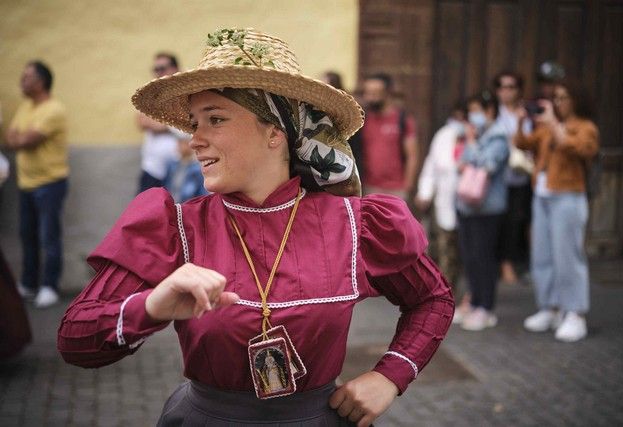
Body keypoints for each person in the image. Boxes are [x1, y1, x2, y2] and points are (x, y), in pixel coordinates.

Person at [58, 28, 454, 426]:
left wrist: (390, 375)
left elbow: (433, 298)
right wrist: (151, 306)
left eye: (215, 119)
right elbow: (75, 339)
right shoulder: (176, 225)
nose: (194, 139)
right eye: (194, 123)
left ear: (274, 134)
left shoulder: (355, 224)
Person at [516, 80, 599, 342]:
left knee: (568, 256)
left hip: (568, 196)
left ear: (576, 100)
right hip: (542, 195)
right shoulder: (546, 126)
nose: (559, 103)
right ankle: (550, 307)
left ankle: (575, 313)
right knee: (542, 254)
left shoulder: (584, 127)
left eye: (564, 97)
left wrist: (554, 125)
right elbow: (523, 143)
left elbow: (583, 149)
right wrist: (522, 120)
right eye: (557, 98)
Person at [5, 61, 68, 308]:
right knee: (27, 235)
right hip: (26, 183)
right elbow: (11, 138)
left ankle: (50, 285)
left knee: (48, 236)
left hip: (50, 184)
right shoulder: (26, 106)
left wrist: (19, 138)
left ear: (41, 81)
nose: (22, 80)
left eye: (27, 76)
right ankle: (29, 283)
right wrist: (19, 138)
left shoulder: (54, 109)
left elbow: (26, 141)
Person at [455, 91, 510, 331]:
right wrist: (472, 147)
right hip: (466, 206)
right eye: (470, 112)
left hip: (488, 209)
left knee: (484, 258)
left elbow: (487, 164)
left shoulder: (498, 137)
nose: (472, 117)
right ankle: (473, 301)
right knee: (470, 258)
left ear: (490, 111)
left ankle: (486, 308)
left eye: (477, 111)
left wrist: (473, 144)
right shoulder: (475, 136)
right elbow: (462, 164)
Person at [415, 100, 466, 289]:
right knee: (444, 248)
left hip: (470, 203)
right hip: (445, 201)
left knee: (464, 251)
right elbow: (432, 166)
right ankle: (445, 290)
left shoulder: (475, 138)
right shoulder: (444, 136)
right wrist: (424, 192)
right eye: (457, 117)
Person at [493, 71, 533, 285]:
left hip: (521, 176)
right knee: (499, 222)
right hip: (499, 177)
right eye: (502, 86)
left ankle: (514, 262)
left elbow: (528, 141)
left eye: (511, 86)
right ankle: (501, 264)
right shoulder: (495, 113)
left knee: (517, 221)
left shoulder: (526, 112)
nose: (506, 91)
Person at [136, 52, 190, 193]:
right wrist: (174, 123)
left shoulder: (188, 93)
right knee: (145, 211)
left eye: (162, 68)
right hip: (152, 168)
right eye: (156, 70)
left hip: (179, 167)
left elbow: (190, 125)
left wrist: (160, 123)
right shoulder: (150, 94)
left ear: (175, 68)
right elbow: (142, 121)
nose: (158, 73)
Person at [360, 73, 418, 199]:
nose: (370, 98)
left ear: (387, 93)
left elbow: (412, 156)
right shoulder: (362, 120)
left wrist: (408, 185)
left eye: (375, 93)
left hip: (396, 189)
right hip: (368, 187)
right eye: (367, 93)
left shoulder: (402, 119)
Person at [163, 138, 208, 203]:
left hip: (188, 204)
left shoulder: (197, 168)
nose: (179, 146)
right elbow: (166, 183)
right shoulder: (172, 164)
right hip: (172, 201)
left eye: (183, 143)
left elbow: (202, 191)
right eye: (179, 143)